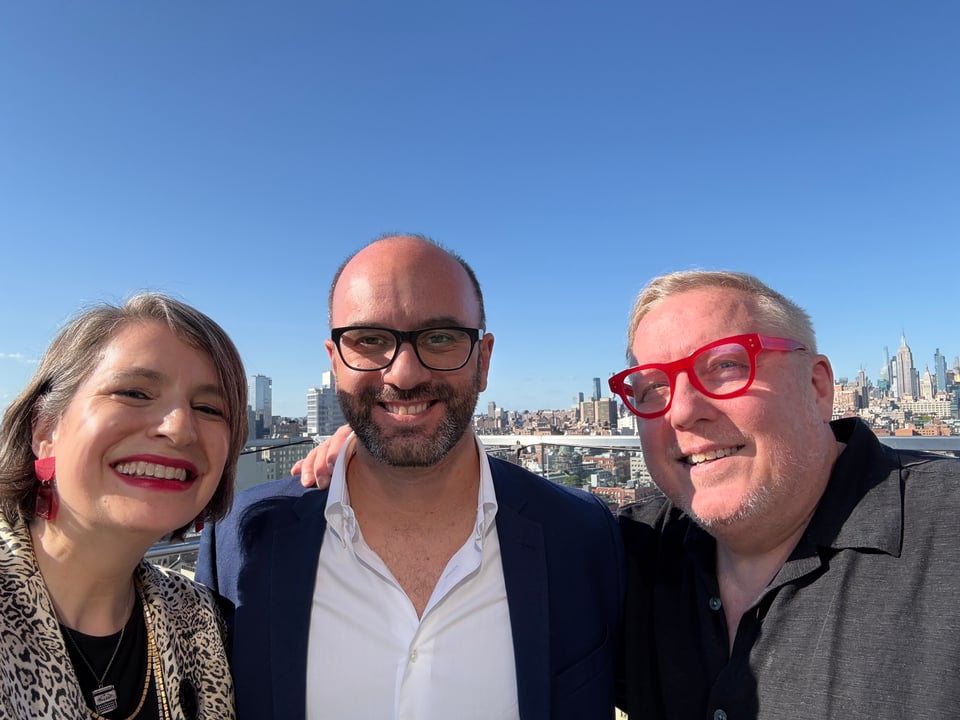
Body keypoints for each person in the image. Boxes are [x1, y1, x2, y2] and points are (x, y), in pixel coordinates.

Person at [195, 234, 624, 720]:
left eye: (439, 338)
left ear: (483, 361)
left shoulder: (583, 534)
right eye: (370, 340)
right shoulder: (241, 540)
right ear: (335, 363)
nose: (403, 374)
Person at [610, 270, 960, 719]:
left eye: (725, 366)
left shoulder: (946, 533)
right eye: (652, 387)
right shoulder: (625, 553)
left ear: (817, 388)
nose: (681, 411)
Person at [0, 293, 247, 719]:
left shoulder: (199, 620)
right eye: (134, 392)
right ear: (45, 427)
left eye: (208, 408)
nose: (179, 428)